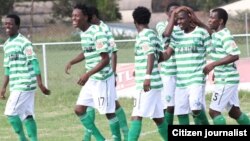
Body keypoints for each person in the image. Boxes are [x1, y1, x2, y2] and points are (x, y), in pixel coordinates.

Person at [65, 4, 121, 141]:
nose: (73, 18)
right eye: (72, 15)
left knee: (109, 113)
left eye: (77, 15)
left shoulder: (97, 32)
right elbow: (87, 51)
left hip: (102, 79)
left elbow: (105, 59)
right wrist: (72, 61)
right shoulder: (84, 34)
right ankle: (101, 139)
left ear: (85, 17)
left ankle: (117, 138)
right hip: (92, 80)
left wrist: (87, 74)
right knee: (79, 110)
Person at [0, 14, 50, 141]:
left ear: (17, 26)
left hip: (25, 83)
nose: (7, 26)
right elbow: (7, 68)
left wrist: (40, 83)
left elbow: (34, 61)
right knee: (27, 115)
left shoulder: (24, 42)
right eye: (6, 24)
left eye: (10, 24)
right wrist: (3, 87)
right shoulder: (6, 45)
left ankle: (23, 139)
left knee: (10, 113)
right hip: (17, 85)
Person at [82, 6, 129, 141]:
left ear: (93, 17)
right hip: (94, 75)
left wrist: (113, 73)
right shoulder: (88, 31)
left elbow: (113, 52)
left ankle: (124, 133)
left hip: (104, 75)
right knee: (91, 103)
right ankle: (88, 136)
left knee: (112, 105)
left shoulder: (104, 29)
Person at [161, 6, 210, 125]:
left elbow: (211, 52)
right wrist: (152, 57)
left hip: (196, 78)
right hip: (181, 81)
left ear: (189, 18)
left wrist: (214, 69)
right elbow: (167, 54)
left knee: (196, 108)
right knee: (181, 112)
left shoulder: (201, 32)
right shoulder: (177, 35)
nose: (179, 22)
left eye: (181, 19)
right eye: (177, 19)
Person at [203, 8, 250, 125]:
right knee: (234, 112)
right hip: (226, 77)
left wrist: (212, 65)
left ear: (220, 21)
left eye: (212, 18)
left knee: (214, 111)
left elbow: (234, 55)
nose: (209, 20)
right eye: (209, 17)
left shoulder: (225, 35)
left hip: (226, 79)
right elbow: (221, 55)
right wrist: (216, 70)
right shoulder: (217, 34)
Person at [128, 6, 168, 141]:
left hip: (146, 85)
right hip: (156, 84)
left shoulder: (143, 35)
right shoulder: (153, 34)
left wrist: (147, 77)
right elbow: (161, 56)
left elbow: (150, 54)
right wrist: (140, 68)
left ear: (135, 21)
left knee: (136, 115)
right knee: (159, 118)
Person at [155, 2, 180, 125]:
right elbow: (166, 34)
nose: (175, 15)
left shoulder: (184, 26)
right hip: (168, 72)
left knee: (184, 107)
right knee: (169, 106)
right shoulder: (161, 25)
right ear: (167, 13)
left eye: (177, 12)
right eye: (172, 12)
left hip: (183, 72)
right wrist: (173, 18)